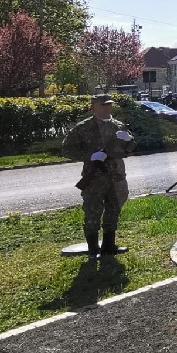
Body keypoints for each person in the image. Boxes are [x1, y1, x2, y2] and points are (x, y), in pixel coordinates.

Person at [61, 94, 137, 259]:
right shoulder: (83, 127)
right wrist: (90, 156)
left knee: (113, 211)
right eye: (102, 105)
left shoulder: (119, 126)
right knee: (92, 212)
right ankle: (93, 249)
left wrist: (130, 140)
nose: (106, 108)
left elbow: (130, 148)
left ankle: (109, 246)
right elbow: (67, 149)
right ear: (93, 107)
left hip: (116, 177)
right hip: (94, 178)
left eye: (108, 105)